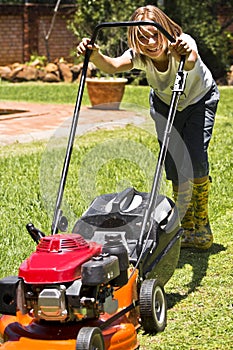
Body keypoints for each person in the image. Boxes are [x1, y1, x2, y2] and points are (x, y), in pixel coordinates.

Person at [77, 5, 220, 250]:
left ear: (165, 30)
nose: (151, 42)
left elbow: (191, 62)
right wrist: (94, 55)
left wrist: (183, 52)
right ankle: (185, 224)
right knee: (174, 161)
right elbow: (112, 66)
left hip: (199, 100)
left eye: (155, 34)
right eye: (142, 37)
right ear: (135, 39)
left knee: (195, 156)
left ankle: (201, 222)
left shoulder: (183, 43)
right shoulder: (139, 55)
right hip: (166, 104)